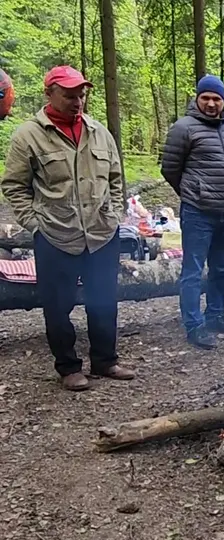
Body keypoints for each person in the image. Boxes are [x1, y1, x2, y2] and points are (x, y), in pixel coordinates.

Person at [0, 66, 135, 391]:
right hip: (56, 235)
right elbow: (14, 186)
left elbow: (116, 179)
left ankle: (105, 360)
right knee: (57, 306)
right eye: (70, 96)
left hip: (101, 233)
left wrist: (115, 214)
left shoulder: (99, 132)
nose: (77, 102)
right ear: (49, 94)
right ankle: (68, 367)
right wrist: (35, 224)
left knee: (104, 301)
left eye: (81, 95)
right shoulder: (28, 136)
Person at [162, 74, 224, 350]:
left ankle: (216, 315)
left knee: (221, 268)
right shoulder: (183, 128)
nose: (211, 103)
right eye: (205, 98)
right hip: (198, 213)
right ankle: (194, 325)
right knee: (193, 271)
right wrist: (193, 192)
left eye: (216, 99)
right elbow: (170, 168)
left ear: (223, 101)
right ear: (197, 99)